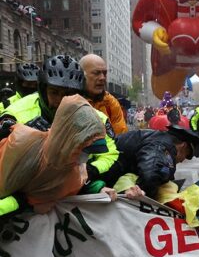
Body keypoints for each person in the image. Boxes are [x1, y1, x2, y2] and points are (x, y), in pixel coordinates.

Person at [0, 55, 120, 218]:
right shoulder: (15, 114)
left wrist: (87, 173)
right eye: (54, 92)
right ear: (43, 90)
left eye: (68, 94)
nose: (61, 101)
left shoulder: (97, 120)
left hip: (71, 203)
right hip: (23, 206)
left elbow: (111, 156)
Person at [95, 125, 199, 200]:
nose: (183, 160)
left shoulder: (158, 138)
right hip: (100, 178)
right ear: (183, 146)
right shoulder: (162, 147)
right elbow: (150, 176)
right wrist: (146, 199)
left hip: (104, 174)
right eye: (186, 155)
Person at [79, 54, 128, 135]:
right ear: (81, 75)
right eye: (96, 73)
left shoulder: (111, 103)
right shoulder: (69, 102)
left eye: (104, 73)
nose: (102, 78)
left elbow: (121, 138)